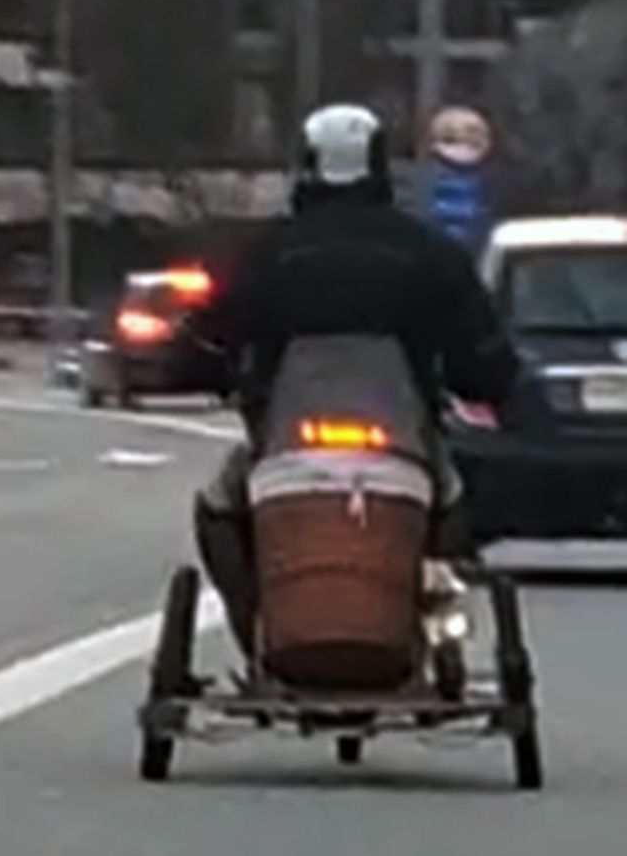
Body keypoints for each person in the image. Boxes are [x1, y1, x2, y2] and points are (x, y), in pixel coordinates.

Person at [187, 103, 519, 657]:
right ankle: (433, 617)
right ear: (382, 167)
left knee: (219, 510)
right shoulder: (429, 253)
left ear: (305, 167)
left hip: (286, 447)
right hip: (405, 447)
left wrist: (202, 369)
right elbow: (481, 357)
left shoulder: (267, 254)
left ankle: (258, 631)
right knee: (456, 503)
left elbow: (205, 339)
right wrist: (489, 380)